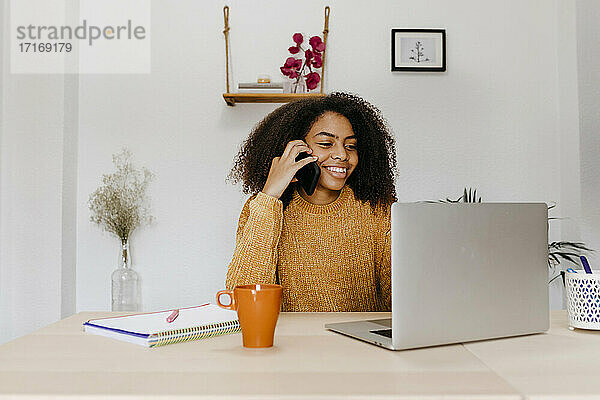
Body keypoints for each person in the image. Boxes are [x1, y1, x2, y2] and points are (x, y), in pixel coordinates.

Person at [226, 92, 397, 311]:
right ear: (294, 150)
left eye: (351, 146)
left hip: (359, 343)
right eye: (326, 143)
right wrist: (270, 195)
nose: (342, 155)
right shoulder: (262, 208)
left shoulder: (377, 209)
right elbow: (242, 301)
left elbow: (401, 301)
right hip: (290, 342)